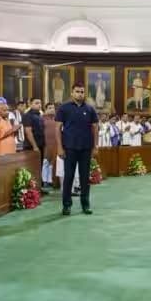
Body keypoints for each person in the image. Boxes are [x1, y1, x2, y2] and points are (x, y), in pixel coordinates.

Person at [56, 83, 98, 216]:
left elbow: (95, 128)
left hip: (86, 148)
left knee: (85, 178)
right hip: (69, 148)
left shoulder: (90, 109)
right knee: (68, 177)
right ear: (72, 93)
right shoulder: (64, 108)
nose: (80, 94)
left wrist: (95, 146)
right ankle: (66, 205)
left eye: (82, 91)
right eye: (77, 91)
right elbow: (57, 129)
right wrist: (59, 147)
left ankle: (85, 204)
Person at [43, 103, 59, 188]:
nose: (52, 109)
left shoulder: (57, 119)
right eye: (49, 108)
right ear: (45, 109)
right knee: (45, 162)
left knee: (52, 163)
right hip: (46, 144)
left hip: (55, 144)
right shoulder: (42, 119)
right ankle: (44, 180)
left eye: (53, 108)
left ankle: (50, 180)